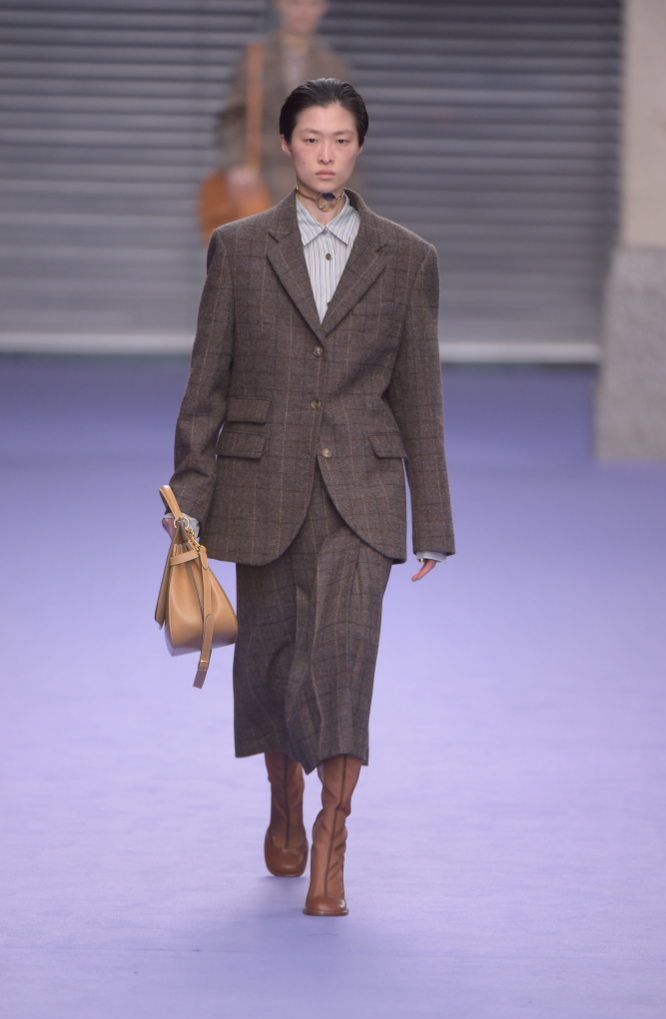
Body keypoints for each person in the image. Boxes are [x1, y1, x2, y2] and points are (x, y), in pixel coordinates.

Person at [166, 79, 455, 917]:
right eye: (311, 139)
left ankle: (333, 835)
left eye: (341, 140)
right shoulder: (238, 248)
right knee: (274, 663)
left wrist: (432, 519)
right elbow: (206, 387)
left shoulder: (408, 258)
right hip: (261, 484)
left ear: (359, 147)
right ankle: (285, 800)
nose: (326, 155)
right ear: (287, 145)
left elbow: (420, 396)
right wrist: (187, 501)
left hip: (363, 489)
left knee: (343, 664)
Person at [216, 0, 360, 207]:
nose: (303, 11)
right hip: (259, 178)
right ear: (279, 4)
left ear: (323, 7)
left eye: (312, 4)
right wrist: (236, 165)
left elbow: (346, 132)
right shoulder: (254, 58)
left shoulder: (334, 66)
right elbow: (232, 116)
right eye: (295, 3)